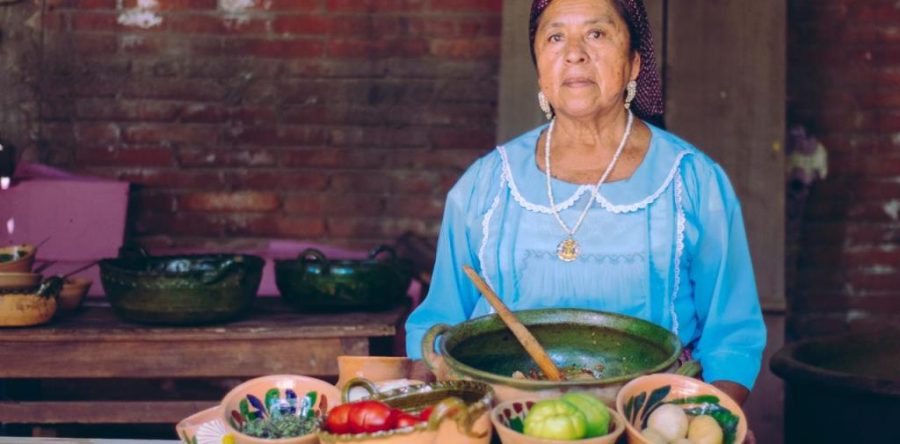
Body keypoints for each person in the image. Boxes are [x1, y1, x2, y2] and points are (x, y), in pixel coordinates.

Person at [405, 0, 765, 416]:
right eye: (555, 37)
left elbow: (732, 335)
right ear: (540, 67)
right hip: (499, 422)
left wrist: (711, 422)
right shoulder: (485, 185)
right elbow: (438, 323)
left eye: (596, 34)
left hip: (648, 423)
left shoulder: (694, 182)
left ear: (633, 63)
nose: (574, 52)